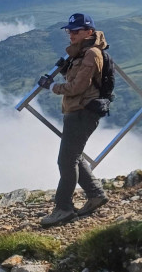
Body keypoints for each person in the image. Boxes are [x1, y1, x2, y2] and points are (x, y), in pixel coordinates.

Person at [38, 13, 110, 227]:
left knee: (66, 160)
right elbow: (78, 80)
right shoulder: (82, 53)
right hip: (79, 111)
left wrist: (51, 87)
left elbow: (77, 87)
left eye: (76, 31)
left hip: (82, 112)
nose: (71, 35)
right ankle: (96, 194)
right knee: (75, 157)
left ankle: (63, 208)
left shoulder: (91, 54)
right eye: (69, 31)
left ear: (89, 32)